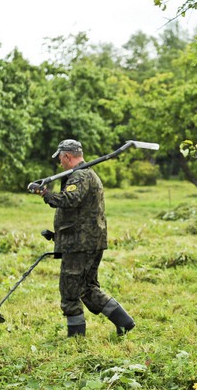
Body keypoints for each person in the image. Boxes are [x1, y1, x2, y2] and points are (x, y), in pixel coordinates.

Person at [34, 139, 135, 338]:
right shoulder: (88, 174)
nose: (60, 163)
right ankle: (123, 322)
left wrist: (44, 193)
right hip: (88, 241)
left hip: (80, 245)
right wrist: (58, 236)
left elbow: (69, 200)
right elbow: (81, 213)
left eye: (61, 159)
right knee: (88, 289)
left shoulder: (80, 176)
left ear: (67, 156)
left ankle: (76, 338)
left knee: (70, 291)